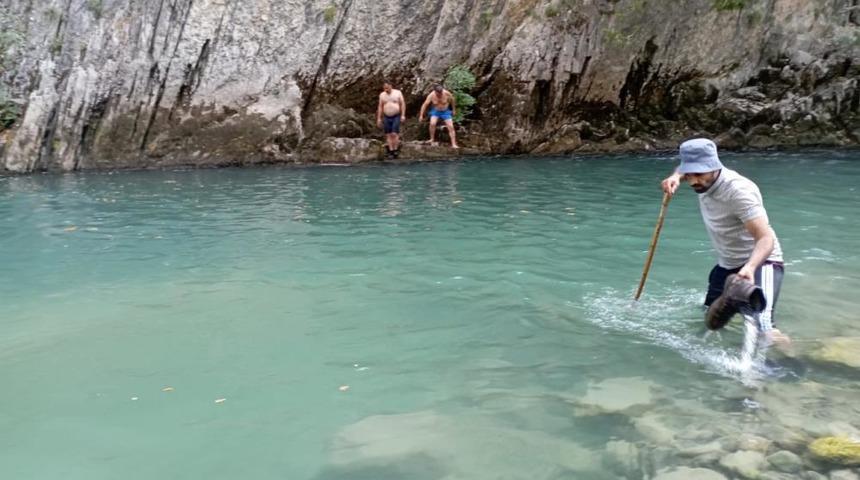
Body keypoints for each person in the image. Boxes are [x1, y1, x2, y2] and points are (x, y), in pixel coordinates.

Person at [661, 138, 787, 340]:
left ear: (714, 166)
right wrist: (676, 176)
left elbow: (765, 238)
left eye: (699, 174)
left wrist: (750, 267)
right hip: (727, 264)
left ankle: (789, 363)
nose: (693, 181)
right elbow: (686, 168)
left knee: (764, 328)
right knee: (710, 318)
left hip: (762, 262)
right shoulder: (699, 177)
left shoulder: (738, 191)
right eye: (690, 174)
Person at [419, 84, 458, 148]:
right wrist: (421, 115)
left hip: (445, 111)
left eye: (441, 92)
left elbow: (453, 101)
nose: (440, 94)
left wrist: (453, 110)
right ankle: (432, 139)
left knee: (451, 126)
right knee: (432, 123)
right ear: (435, 91)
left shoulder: (447, 93)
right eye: (438, 93)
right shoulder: (431, 95)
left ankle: (453, 144)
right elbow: (424, 105)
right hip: (436, 111)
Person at [377, 81, 406, 159]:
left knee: (394, 133)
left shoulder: (398, 93)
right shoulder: (382, 95)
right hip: (386, 116)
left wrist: (403, 115)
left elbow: (402, 104)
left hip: (396, 115)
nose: (385, 89)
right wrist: (379, 118)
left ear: (390, 86)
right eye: (384, 88)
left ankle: (396, 149)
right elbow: (380, 106)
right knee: (388, 134)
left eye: (387, 87)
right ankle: (391, 150)